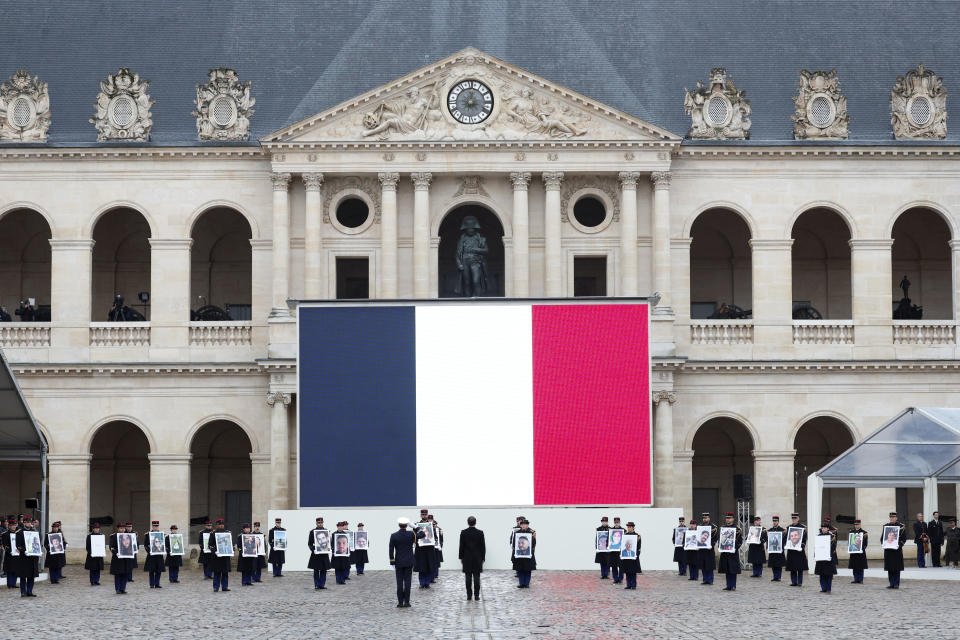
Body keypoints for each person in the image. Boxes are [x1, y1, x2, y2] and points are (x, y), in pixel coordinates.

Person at [459, 515, 485, 601]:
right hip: (477, 558)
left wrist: (461, 557)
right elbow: (483, 547)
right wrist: (483, 558)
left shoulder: (463, 532)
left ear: (467, 523)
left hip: (466, 558)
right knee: (477, 577)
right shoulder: (480, 532)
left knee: (468, 577)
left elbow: (461, 546)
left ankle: (469, 596)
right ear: (475, 523)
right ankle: (476, 595)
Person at [14, 516, 39, 597]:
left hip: (32, 557)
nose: (28, 523)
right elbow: (18, 545)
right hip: (24, 557)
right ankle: (23, 592)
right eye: (26, 522)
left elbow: (37, 542)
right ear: (24, 523)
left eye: (29, 522)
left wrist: (38, 550)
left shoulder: (34, 531)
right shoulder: (19, 532)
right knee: (23, 575)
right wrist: (25, 550)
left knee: (31, 576)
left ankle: (29, 591)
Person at [718, 512, 742, 591]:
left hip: (733, 552)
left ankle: (733, 585)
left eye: (729, 518)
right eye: (727, 518)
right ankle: (728, 585)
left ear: (733, 519)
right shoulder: (723, 528)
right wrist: (720, 546)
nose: (728, 520)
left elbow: (740, 541)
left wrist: (735, 548)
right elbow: (721, 540)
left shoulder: (737, 529)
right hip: (725, 552)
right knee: (727, 569)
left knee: (733, 569)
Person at [207, 518, 232, 592]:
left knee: (225, 572)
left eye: (222, 524)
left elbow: (230, 543)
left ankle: (225, 586)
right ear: (217, 525)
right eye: (220, 524)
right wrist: (215, 551)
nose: (221, 526)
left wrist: (231, 549)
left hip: (225, 556)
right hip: (216, 556)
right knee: (217, 573)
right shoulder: (213, 533)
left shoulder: (228, 533)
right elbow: (210, 545)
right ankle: (216, 587)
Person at [415, 511, 438, 589]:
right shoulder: (417, 525)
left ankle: (427, 582)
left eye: (425, 514)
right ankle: (422, 582)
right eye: (423, 514)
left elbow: (435, 537)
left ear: (427, 515)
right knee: (421, 566)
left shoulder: (431, 525)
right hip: (421, 548)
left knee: (429, 565)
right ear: (420, 515)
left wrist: (434, 529)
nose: (424, 516)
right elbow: (415, 536)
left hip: (429, 548)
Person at [884, 512, 907, 589]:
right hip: (888, 551)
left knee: (897, 568)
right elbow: (882, 538)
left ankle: (896, 584)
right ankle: (891, 583)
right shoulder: (886, 526)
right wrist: (883, 544)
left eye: (893, 517)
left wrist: (899, 545)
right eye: (890, 517)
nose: (892, 518)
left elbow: (904, 539)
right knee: (890, 568)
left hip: (897, 550)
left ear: (896, 518)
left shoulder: (901, 526)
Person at [307, 516, 331, 590]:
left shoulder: (326, 531)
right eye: (318, 523)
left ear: (323, 523)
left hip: (324, 554)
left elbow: (329, 542)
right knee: (316, 570)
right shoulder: (312, 531)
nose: (320, 524)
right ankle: (317, 585)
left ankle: (322, 584)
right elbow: (310, 543)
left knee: (324, 570)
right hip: (316, 554)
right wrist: (313, 549)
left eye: (321, 523)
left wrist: (329, 548)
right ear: (316, 523)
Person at [785, 513, 808, 586]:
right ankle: (794, 582)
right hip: (791, 550)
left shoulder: (803, 528)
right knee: (792, 567)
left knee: (800, 567)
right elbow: (787, 538)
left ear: (798, 518)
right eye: (793, 518)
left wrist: (801, 546)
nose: (794, 519)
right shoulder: (789, 527)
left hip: (799, 551)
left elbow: (804, 539)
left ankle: (800, 582)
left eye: (795, 518)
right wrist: (786, 544)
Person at [109, 523, 132, 594]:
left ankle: (123, 588)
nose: (122, 530)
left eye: (123, 528)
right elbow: (111, 547)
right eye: (121, 528)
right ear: (118, 529)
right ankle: (117, 589)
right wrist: (116, 553)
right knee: (118, 574)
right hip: (117, 558)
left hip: (126, 558)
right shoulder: (114, 536)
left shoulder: (128, 536)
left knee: (125, 573)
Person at [142, 521, 166, 588]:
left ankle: (157, 584)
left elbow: (164, 544)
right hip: (151, 556)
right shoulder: (148, 534)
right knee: (151, 570)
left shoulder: (162, 534)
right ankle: (152, 584)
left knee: (159, 570)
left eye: (157, 526)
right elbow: (146, 545)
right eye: (154, 526)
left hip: (159, 555)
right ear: (152, 526)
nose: (155, 527)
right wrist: (150, 551)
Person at [514, 519, 536, 588]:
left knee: (528, 569)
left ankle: (526, 583)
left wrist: (532, 538)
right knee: (520, 569)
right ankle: (521, 583)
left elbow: (534, 543)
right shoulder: (517, 533)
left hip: (528, 554)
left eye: (525, 524)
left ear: (527, 525)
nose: (523, 526)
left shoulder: (531, 533)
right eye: (522, 524)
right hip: (520, 554)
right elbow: (514, 542)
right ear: (520, 525)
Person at [815, 523, 837, 593]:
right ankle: (823, 588)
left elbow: (833, 547)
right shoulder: (819, 536)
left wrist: (829, 555)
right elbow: (817, 547)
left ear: (828, 528)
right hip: (821, 558)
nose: (823, 529)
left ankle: (828, 588)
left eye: (825, 528)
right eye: (822, 528)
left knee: (829, 574)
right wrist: (816, 555)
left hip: (828, 558)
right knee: (822, 574)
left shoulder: (832, 536)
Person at [697, 512, 718, 586]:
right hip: (702, 549)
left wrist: (711, 545)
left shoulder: (713, 527)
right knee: (703, 564)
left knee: (709, 565)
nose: (704, 519)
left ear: (709, 518)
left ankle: (710, 579)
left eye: (706, 518)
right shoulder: (700, 526)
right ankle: (705, 579)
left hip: (709, 549)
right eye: (703, 518)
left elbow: (715, 538)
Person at [621, 521, 642, 589]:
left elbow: (639, 547)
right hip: (626, 556)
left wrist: (637, 555)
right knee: (627, 571)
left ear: (633, 527)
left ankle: (633, 585)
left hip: (633, 556)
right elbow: (622, 546)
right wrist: (621, 554)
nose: (629, 528)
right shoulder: (625, 535)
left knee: (633, 571)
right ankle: (628, 584)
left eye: (630, 527)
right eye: (628, 527)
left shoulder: (637, 536)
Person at [848, 519, 869, 583]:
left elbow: (865, 544)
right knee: (854, 566)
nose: (856, 526)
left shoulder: (864, 533)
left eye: (857, 524)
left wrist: (861, 549)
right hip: (853, 552)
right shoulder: (851, 532)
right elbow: (850, 542)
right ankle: (856, 579)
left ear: (860, 524)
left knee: (860, 566)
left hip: (860, 553)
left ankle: (860, 579)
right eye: (855, 525)